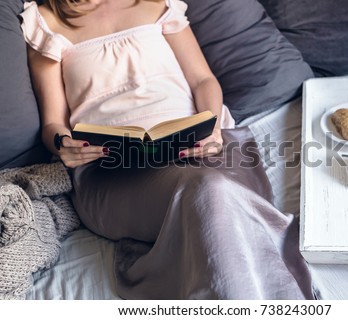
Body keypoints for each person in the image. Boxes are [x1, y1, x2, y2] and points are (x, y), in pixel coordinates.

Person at [21, 0, 314, 299]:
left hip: (198, 147)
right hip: (112, 173)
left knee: (212, 190)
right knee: (208, 190)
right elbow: (53, 124)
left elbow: (203, 80)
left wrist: (211, 128)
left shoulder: (157, 4)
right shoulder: (45, 23)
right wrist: (63, 144)